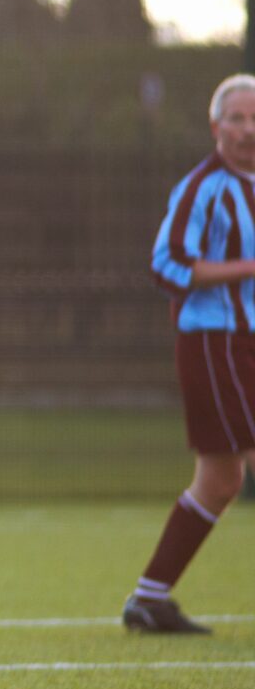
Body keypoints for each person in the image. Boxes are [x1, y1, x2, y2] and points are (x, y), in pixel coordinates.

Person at [134, 74, 255, 634]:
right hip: (215, 342)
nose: (247, 129)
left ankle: (150, 597)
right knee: (227, 472)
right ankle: (150, 597)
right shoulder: (202, 188)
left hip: (245, 340)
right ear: (216, 127)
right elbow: (167, 265)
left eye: (254, 118)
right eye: (236, 118)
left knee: (220, 480)